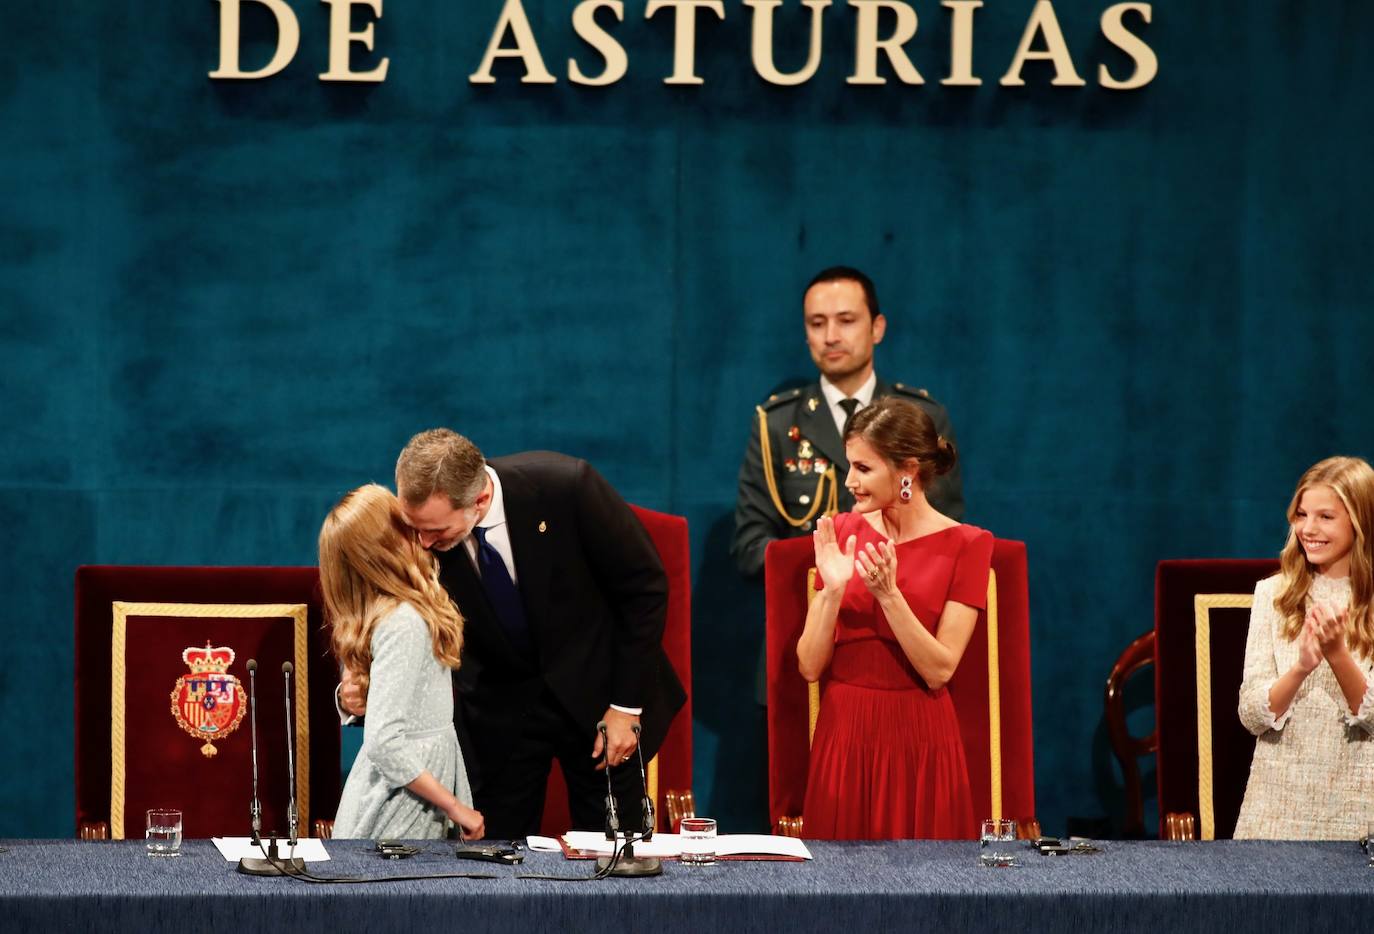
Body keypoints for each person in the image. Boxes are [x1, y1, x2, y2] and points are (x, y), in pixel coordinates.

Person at [339, 430, 686, 840]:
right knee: (491, 865)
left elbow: (643, 588)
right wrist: (356, 689)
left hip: (599, 702)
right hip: (498, 717)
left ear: (479, 501)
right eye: (416, 528)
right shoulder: (418, 528)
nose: (422, 543)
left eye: (436, 531)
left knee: (613, 853)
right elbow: (383, 611)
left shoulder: (566, 487)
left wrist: (626, 707)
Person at [797, 396, 992, 839]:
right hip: (845, 734)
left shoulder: (969, 545)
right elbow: (809, 666)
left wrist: (889, 596)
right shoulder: (843, 533)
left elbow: (940, 669)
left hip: (920, 738)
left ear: (906, 470)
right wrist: (831, 591)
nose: (849, 481)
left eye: (863, 469)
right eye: (850, 466)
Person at [732, 266, 965, 579]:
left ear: (877, 328)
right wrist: (832, 561)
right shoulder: (776, 422)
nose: (830, 337)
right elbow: (751, 548)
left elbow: (946, 536)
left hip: (904, 605)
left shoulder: (921, 418)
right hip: (809, 607)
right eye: (817, 323)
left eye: (846, 320)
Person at [321, 484, 485, 841]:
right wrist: (455, 807)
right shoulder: (404, 622)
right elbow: (384, 741)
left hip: (406, 792)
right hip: (401, 806)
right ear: (387, 545)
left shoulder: (396, 611)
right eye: (406, 525)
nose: (421, 534)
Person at [1234, 456, 1374, 840]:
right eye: (1301, 514)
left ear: (1359, 521)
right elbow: (1251, 714)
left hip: (1359, 815)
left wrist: (1337, 655)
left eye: (1325, 517)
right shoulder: (1273, 594)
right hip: (1274, 814)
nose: (1308, 529)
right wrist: (1300, 669)